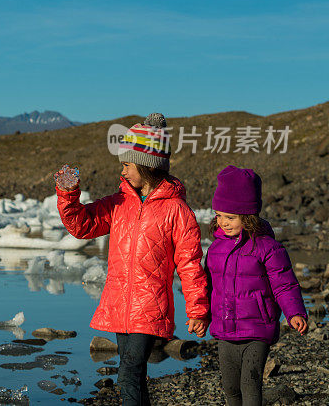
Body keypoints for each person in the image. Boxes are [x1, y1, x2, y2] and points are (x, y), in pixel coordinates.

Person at [55, 113, 209, 406]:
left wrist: (197, 309)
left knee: (127, 374)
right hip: (119, 303)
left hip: (150, 306)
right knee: (134, 375)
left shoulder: (177, 211)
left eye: (127, 165)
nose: (122, 172)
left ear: (147, 165)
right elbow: (82, 225)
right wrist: (68, 195)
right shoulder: (119, 202)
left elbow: (190, 263)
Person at [206, 165, 308, 406]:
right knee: (230, 388)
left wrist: (294, 313)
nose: (223, 222)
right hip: (224, 330)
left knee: (250, 386)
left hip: (257, 329)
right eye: (219, 215)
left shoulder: (268, 248)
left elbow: (284, 284)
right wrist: (199, 316)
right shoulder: (214, 249)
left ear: (248, 215)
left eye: (230, 217)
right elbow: (206, 287)